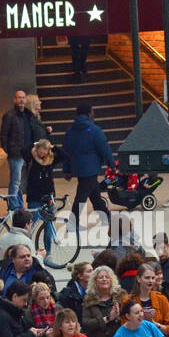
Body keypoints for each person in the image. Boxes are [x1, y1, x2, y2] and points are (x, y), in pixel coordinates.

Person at [62, 104, 114, 246]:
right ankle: (73, 223)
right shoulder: (95, 130)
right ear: (89, 113)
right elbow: (104, 147)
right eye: (93, 112)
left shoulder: (70, 131)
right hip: (91, 167)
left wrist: (67, 169)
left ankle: (105, 216)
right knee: (82, 195)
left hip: (78, 167)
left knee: (94, 193)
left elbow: (65, 151)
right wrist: (112, 164)